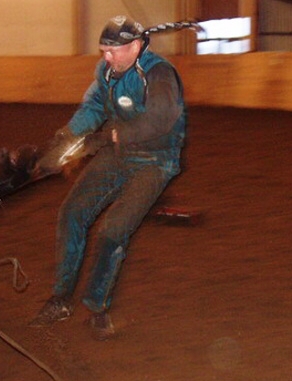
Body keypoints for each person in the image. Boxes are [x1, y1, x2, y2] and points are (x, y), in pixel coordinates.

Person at [30, 15, 201, 340]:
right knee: (72, 213)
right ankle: (61, 299)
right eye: (103, 51)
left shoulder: (160, 74)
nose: (106, 58)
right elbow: (94, 105)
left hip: (156, 161)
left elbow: (159, 121)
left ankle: (97, 306)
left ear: (135, 47)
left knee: (113, 231)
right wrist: (67, 135)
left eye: (113, 51)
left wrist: (106, 138)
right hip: (118, 154)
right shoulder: (106, 72)